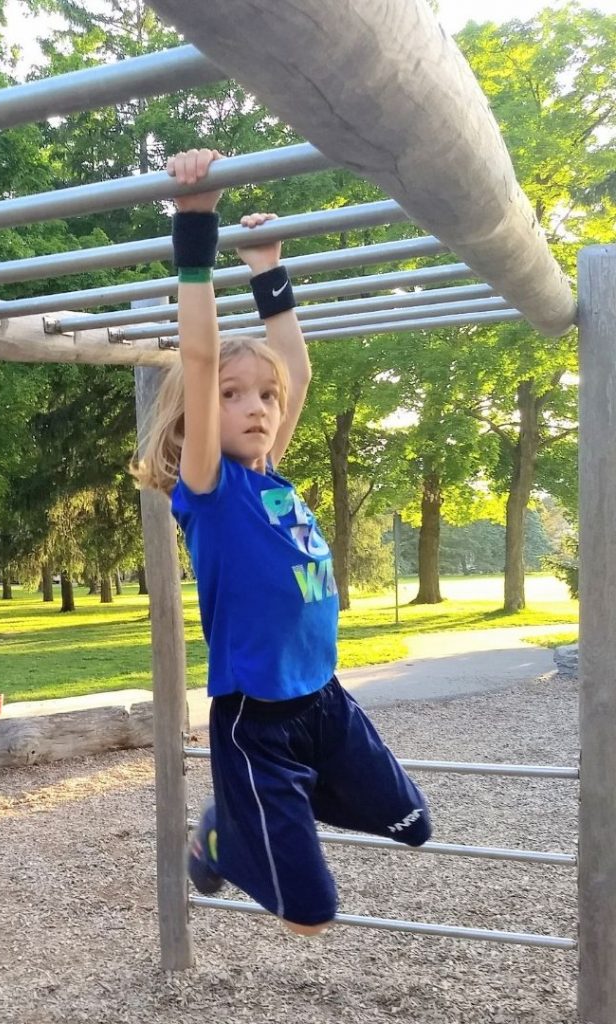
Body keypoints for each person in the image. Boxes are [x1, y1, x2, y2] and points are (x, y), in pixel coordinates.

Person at [131, 148, 431, 936]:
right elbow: (200, 362)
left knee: (412, 824)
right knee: (310, 917)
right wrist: (196, 222)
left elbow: (291, 365)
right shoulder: (211, 491)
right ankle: (228, 832)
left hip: (325, 702)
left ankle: (264, 814)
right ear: (202, 416)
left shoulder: (272, 476)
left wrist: (269, 269)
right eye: (233, 399)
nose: (257, 407)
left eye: (265, 398)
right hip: (255, 721)